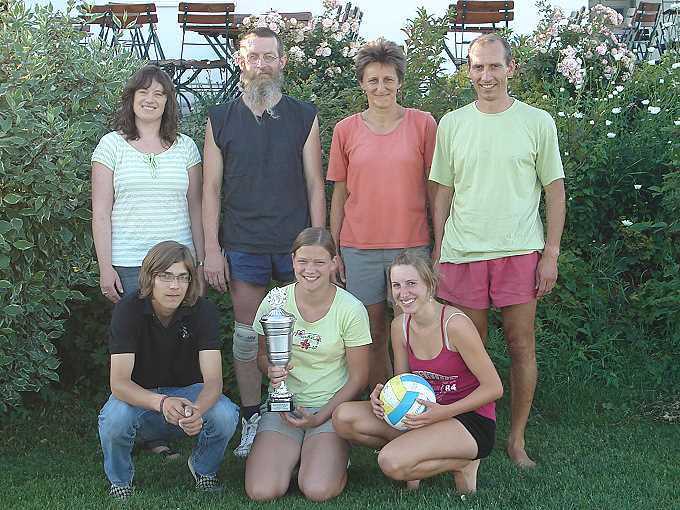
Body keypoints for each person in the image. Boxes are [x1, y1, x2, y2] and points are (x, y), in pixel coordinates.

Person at [429, 34, 566, 468]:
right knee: (471, 349)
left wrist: (551, 253)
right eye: (477, 67)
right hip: (463, 251)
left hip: (520, 250)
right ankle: (472, 435)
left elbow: (555, 191)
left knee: (521, 345)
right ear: (468, 71)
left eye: (493, 67)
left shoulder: (537, 121)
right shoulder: (452, 123)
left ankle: (516, 439)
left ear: (511, 68)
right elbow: (442, 193)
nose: (485, 76)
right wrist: (438, 249)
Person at [202, 27, 326, 458]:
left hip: (296, 245)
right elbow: (211, 189)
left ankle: (306, 414)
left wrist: (320, 246)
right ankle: (254, 417)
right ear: (241, 60)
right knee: (247, 335)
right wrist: (211, 250)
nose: (261, 64)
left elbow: (315, 184)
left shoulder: (304, 115)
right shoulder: (220, 118)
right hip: (242, 242)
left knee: (304, 330)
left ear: (282, 61)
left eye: (269, 56)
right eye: (253, 56)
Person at [333, 249, 502, 494]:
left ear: (430, 284)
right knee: (343, 418)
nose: (404, 293)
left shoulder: (455, 324)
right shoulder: (399, 326)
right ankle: (416, 454)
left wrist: (443, 413)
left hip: (467, 418)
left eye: (411, 284)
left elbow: (494, 388)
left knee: (390, 463)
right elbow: (404, 381)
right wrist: (384, 396)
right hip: (422, 413)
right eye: (396, 285)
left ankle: (463, 463)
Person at [328, 38, 437, 390]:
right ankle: (386, 402)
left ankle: (420, 400)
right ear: (361, 83)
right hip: (359, 248)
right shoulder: (346, 130)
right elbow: (340, 193)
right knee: (371, 330)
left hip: (412, 245)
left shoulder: (423, 125)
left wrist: (440, 241)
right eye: (372, 80)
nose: (381, 87)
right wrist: (334, 250)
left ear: (400, 82)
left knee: (416, 325)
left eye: (388, 79)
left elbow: (436, 188)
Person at [97, 241, 239, 499]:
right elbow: (118, 383)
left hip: (187, 398)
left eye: (182, 277)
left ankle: (204, 470)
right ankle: (120, 481)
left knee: (226, 414)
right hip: (141, 399)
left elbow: (214, 382)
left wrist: (198, 410)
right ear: (149, 278)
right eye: (166, 277)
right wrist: (162, 402)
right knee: (114, 418)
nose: (175, 286)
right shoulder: (128, 309)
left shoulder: (202, 310)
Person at [244, 227, 371, 502]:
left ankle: (328, 457)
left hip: (330, 408)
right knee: (261, 491)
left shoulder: (350, 309)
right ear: (292, 261)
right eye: (303, 261)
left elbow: (359, 378)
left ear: (334, 263)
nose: (309, 269)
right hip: (283, 407)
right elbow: (262, 356)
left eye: (319, 262)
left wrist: (321, 416)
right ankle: (299, 456)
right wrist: (271, 370)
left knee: (317, 489)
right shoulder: (275, 301)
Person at [92, 65, 205, 303]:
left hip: (179, 263)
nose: (150, 99)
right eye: (143, 92)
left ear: (167, 102)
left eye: (158, 93)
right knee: (135, 337)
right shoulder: (110, 145)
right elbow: (101, 213)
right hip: (129, 264)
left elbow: (196, 209)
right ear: (132, 97)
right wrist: (105, 269)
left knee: (179, 336)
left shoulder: (186, 147)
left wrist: (201, 262)